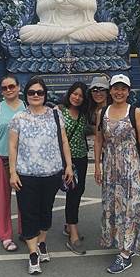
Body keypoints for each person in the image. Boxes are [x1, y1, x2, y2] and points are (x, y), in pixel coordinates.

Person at [9, 76, 73, 275]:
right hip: (26, 174)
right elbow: (12, 146)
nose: (36, 96)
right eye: (31, 92)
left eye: (40, 92)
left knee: (46, 209)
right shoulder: (18, 118)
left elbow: (63, 141)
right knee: (28, 212)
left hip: (52, 172)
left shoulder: (55, 115)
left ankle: (42, 242)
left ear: (45, 95)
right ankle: (32, 253)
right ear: (25, 95)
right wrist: (12, 172)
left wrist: (68, 166)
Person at [94, 74, 140, 274]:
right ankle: (121, 242)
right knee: (113, 204)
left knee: (130, 206)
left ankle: (126, 252)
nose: (119, 92)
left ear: (128, 91)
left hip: (131, 167)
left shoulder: (135, 112)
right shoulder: (103, 112)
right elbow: (99, 140)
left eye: (123, 89)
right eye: (115, 88)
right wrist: (97, 166)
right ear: (110, 91)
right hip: (110, 167)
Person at [0, 74, 25, 252]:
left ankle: (26, 230)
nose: (8, 90)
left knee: (26, 198)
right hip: (2, 157)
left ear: (18, 87)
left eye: (11, 86)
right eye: (4, 88)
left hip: (25, 159)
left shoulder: (27, 107)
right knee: (3, 198)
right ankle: (5, 235)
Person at [61, 81, 89, 255]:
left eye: (80, 95)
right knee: (72, 194)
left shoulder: (84, 114)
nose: (77, 98)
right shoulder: (59, 112)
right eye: (74, 93)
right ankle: (73, 234)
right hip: (66, 161)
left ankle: (68, 225)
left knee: (78, 192)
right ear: (69, 93)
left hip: (82, 158)